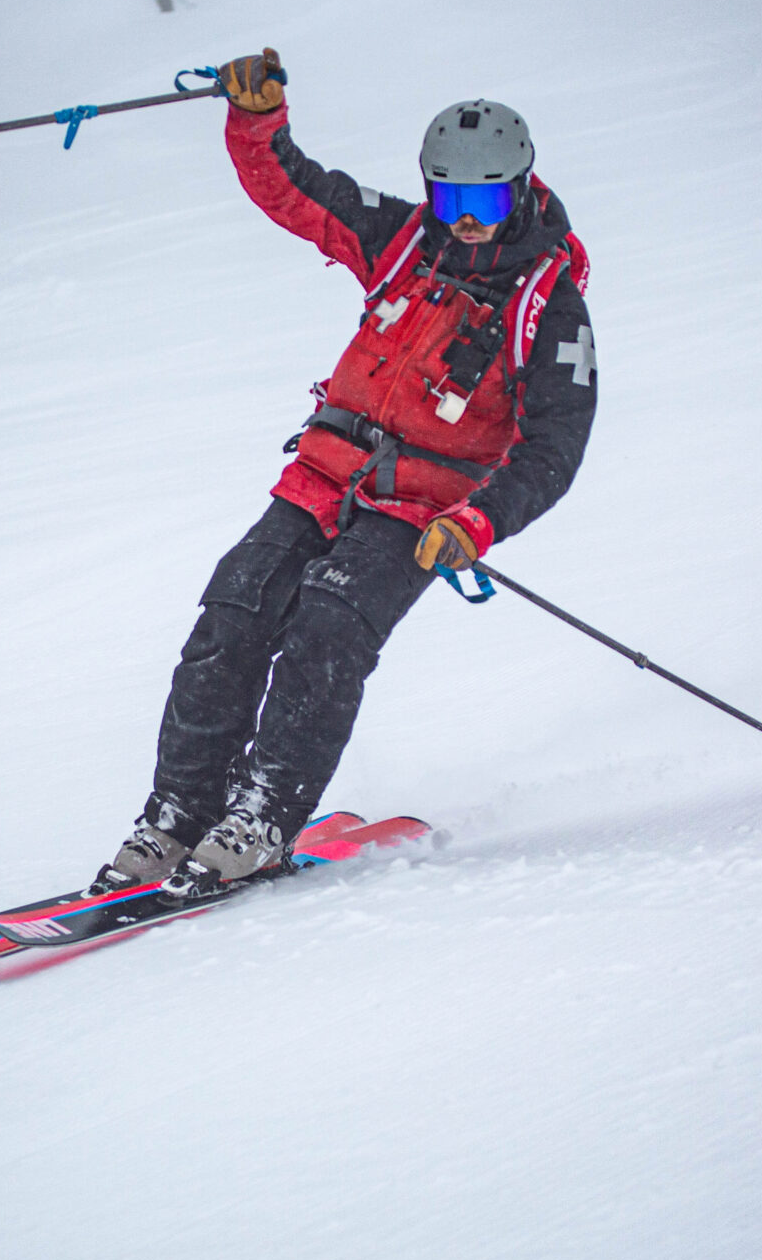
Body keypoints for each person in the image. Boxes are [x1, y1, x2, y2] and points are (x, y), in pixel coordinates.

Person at [95, 48, 597, 898]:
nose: (465, 219)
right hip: (328, 474)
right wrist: (257, 122)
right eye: (451, 197)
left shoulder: (549, 310)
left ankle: (260, 817)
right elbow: (296, 191)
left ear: (518, 191)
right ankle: (177, 815)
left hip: (425, 509)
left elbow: (556, 445)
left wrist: (478, 523)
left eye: (483, 200)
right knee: (233, 608)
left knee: (328, 626)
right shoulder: (404, 240)